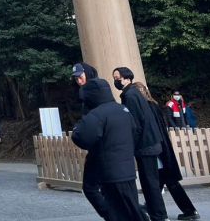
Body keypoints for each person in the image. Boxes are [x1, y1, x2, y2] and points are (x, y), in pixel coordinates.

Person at [71, 76, 146, 221]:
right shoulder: (123, 110)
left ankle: (111, 215)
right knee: (129, 204)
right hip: (127, 167)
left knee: (119, 206)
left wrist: (77, 129)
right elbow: (136, 132)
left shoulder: (97, 114)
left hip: (108, 168)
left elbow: (82, 137)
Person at [134, 82, 201, 220]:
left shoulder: (145, 108)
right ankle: (189, 210)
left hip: (153, 147)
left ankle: (158, 210)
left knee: (156, 180)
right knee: (166, 179)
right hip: (163, 146)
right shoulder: (155, 105)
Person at [113, 67, 169, 221]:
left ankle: (159, 215)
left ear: (126, 78)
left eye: (117, 77)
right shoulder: (135, 93)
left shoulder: (130, 95)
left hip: (145, 145)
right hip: (150, 142)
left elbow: (135, 123)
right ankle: (156, 213)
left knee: (149, 183)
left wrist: (131, 143)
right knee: (150, 181)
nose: (115, 80)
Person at [71, 63, 110, 220]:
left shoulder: (96, 93)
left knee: (92, 187)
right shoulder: (89, 93)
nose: (79, 81)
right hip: (102, 146)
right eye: (76, 78)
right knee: (108, 187)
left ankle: (114, 215)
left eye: (80, 76)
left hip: (102, 146)